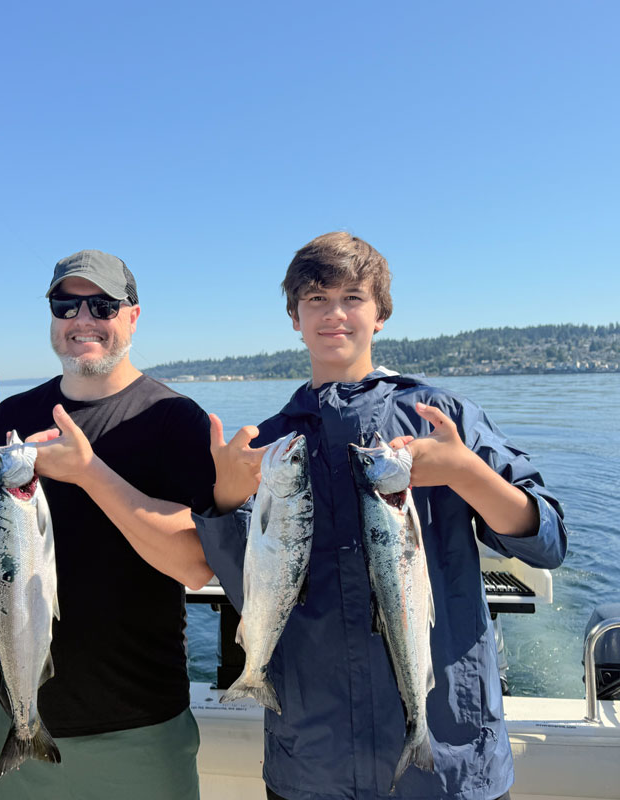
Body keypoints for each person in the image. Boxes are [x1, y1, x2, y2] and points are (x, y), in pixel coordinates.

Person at [196, 232, 568, 800]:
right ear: (294, 316)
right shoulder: (269, 445)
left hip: (450, 761)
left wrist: (467, 472)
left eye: (353, 297)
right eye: (316, 299)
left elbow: (548, 542)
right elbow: (248, 587)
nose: (334, 314)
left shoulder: (441, 417)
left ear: (381, 314)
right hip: (311, 763)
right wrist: (222, 501)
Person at [0, 249, 215, 800]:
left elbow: (196, 566)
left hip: (141, 729)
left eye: (102, 306)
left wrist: (87, 472)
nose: (83, 320)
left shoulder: (175, 421)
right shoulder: (11, 421)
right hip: (20, 721)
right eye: (66, 305)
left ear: (132, 316)